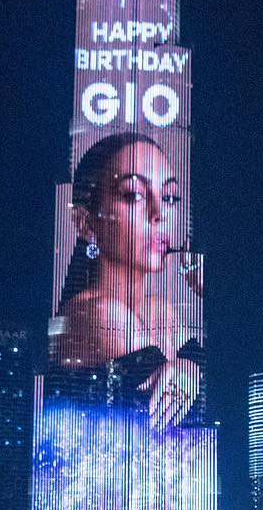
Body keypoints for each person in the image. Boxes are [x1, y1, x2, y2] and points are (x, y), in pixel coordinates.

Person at [53, 130, 203, 431]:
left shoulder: (160, 312)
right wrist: (190, 367)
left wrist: (202, 290)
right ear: (86, 222)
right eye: (133, 195)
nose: (159, 213)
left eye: (169, 197)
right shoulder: (97, 313)